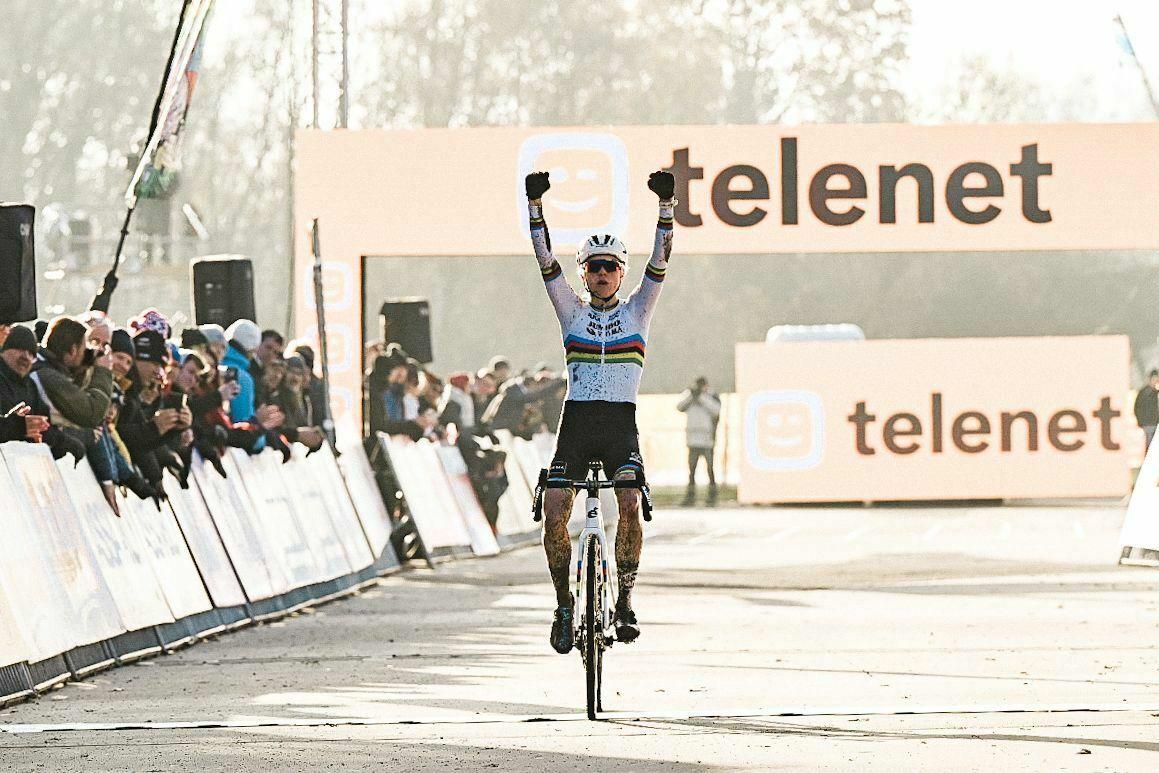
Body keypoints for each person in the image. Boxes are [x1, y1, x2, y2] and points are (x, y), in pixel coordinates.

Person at [526, 167, 675, 653]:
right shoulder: (569, 308)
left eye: (612, 266)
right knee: (553, 511)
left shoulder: (639, 310)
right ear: (584, 272)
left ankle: (626, 600)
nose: (604, 273)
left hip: (619, 425)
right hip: (578, 422)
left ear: (621, 272)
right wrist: (535, 206)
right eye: (595, 267)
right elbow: (544, 258)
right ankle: (564, 606)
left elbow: (661, 259)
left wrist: (665, 207)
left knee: (629, 502)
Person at [677, 376, 721, 506]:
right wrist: (692, 396)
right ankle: (690, 497)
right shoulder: (690, 397)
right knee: (692, 471)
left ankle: (712, 496)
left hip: (707, 439)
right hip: (693, 439)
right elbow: (679, 407)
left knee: (710, 469)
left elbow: (716, 410)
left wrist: (701, 397)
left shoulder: (711, 396)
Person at [1134, 369, 1159, 451]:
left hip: (1153, 423)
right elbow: (1137, 408)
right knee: (1150, 445)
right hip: (1148, 424)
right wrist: (1140, 421)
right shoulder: (1144, 392)